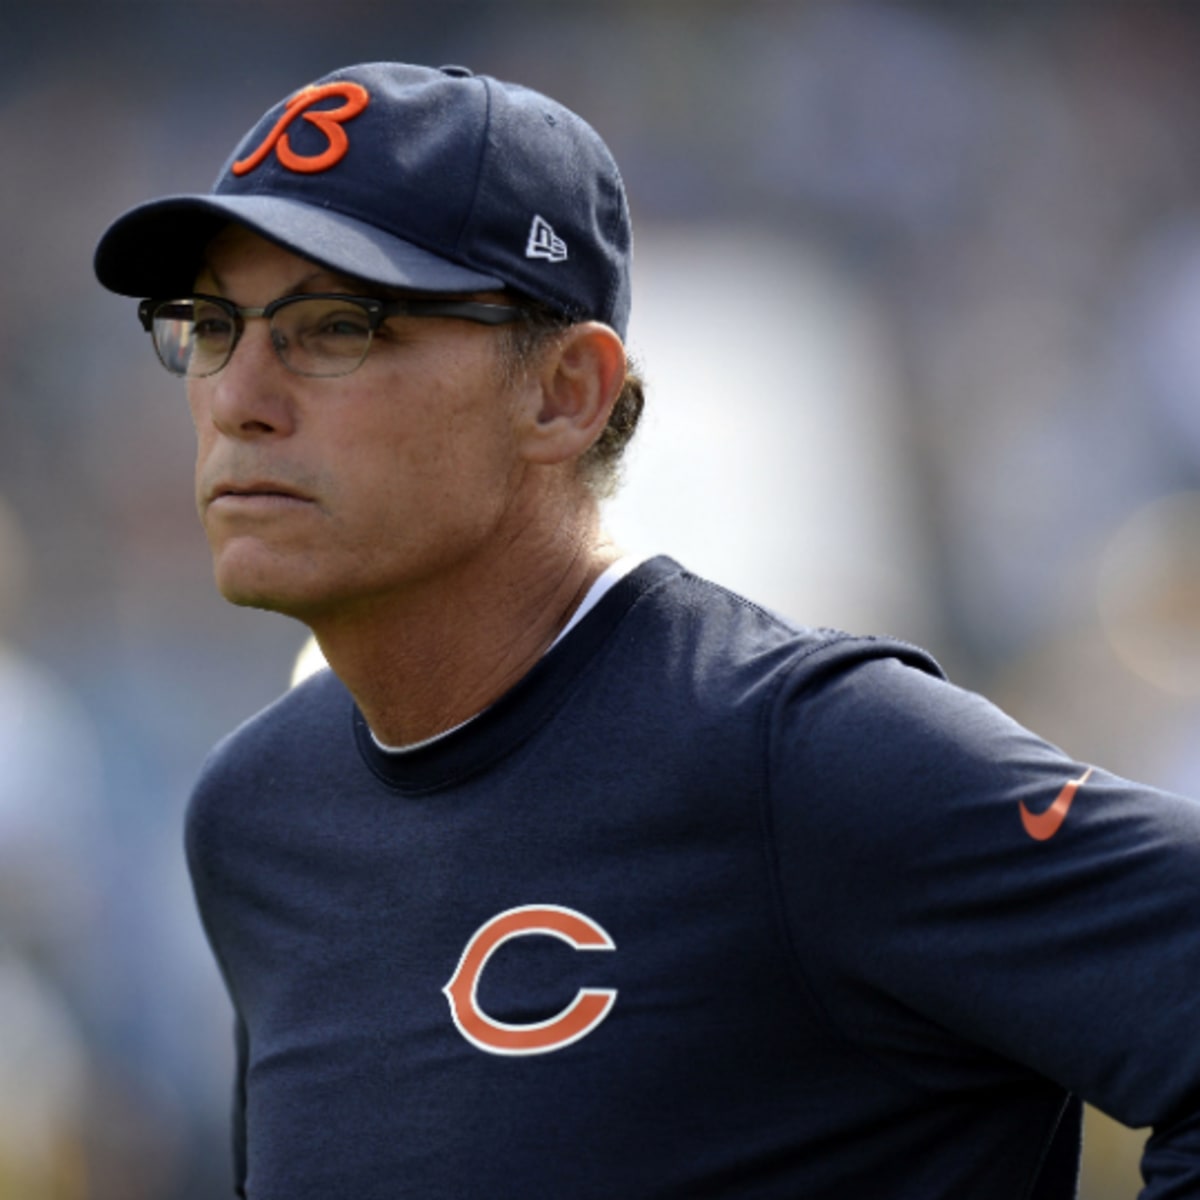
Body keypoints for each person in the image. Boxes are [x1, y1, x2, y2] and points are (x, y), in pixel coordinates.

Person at [93, 62, 1200, 1200]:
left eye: (333, 326)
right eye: (213, 324)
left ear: (564, 392)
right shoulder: (257, 816)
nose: (239, 396)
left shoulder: (800, 759)